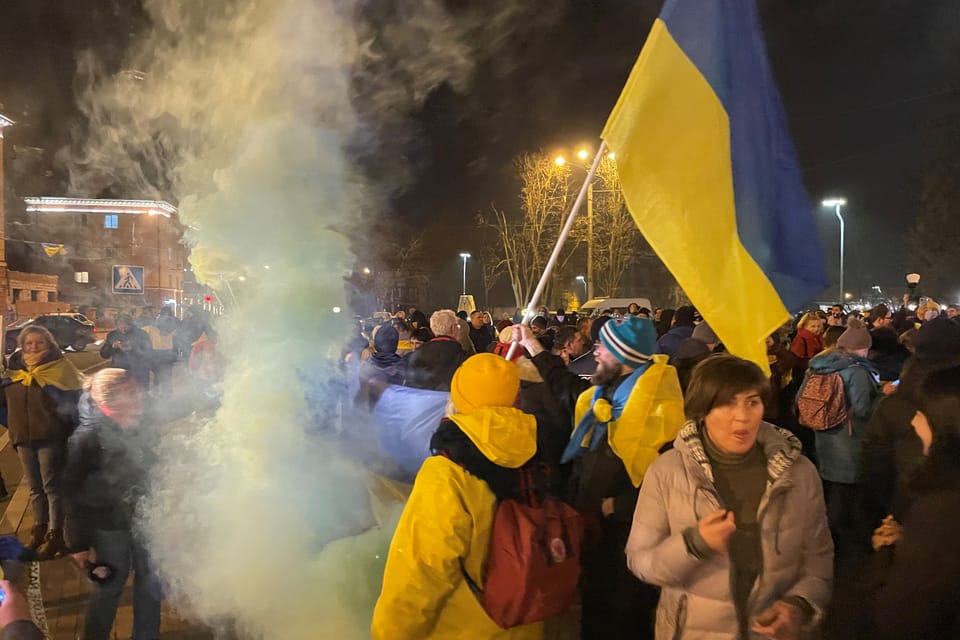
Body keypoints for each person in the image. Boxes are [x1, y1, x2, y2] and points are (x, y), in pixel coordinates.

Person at [626, 354, 833, 640]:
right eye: (727, 403)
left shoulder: (798, 473)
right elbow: (641, 560)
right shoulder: (668, 471)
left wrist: (799, 605)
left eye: (752, 402)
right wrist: (693, 544)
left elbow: (818, 559)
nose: (743, 416)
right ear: (703, 409)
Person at [514, 316, 685, 639]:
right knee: (594, 614)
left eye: (601, 348)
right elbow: (565, 386)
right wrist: (532, 345)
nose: (594, 353)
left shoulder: (661, 411)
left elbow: (672, 479)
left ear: (623, 356)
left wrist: (615, 506)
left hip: (627, 545)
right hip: (595, 537)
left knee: (621, 621)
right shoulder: (603, 395)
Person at [371, 354, 541, 639]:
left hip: (466, 628)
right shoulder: (534, 449)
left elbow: (422, 570)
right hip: (526, 621)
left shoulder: (447, 471)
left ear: (459, 399)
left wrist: (388, 633)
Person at [63, 368, 162, 640]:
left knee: (151, 581)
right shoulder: (88, 437)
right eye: (131, 392)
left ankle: (146, 635)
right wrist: (78, 544)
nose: (140, 395)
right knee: (109, 584)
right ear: (110, 400)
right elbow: (69, 491)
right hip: (108, 524)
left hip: (144, 517)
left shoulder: (141, 425)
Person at [870, 363, 960, 639]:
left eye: (921, 414)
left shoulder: (942, 506)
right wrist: (909, 538)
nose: (914, 422)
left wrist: (885, 554)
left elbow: (903, 615)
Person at [0, 326, 83, 557]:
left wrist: (64, 428)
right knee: (35, 488)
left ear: (49, 345)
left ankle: (56, 535)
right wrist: (13, 424)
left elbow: (73, 405)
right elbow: (3, 404)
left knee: (51, 487)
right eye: (29, 343)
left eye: (39, 343)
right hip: (23, 438)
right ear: (22, 345)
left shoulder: (60, 370)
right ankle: (38, 530)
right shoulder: (13, 373)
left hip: (50, 436)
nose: (33, 347)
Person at [803, 319, 879, 566]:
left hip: (824, 437)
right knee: (844, 492)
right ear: (862, 348)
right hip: (849, 440)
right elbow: (863, 409)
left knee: (837, 489)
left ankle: (848, 537)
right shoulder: (856, 371)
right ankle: (830, 543)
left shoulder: (817, 367)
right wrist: (882, 396)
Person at [404, 310, 470, 391]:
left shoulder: (417, 353)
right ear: (453, 328)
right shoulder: (462, 356)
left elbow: (410, 384)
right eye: (458, 327)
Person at [99, 314, 152, 391]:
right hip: (120, 370)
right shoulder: (112, 335)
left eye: (126, 325)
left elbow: (147, 352)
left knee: (140, 394)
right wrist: (112, 348)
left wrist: (130, 348)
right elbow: (104, 354)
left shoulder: (141, 334)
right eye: (120, 324)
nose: (123, 327)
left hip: (139, 371)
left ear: (131, 324)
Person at [142, 306, 179, 395]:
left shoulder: (172, 333)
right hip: (154, 357)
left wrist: (173, 358)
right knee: (156, 379)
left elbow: (174, 348)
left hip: (167, 357)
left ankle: (167, 395)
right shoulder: (149, 330)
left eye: (168, 331)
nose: (166, 333)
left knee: (167, 378)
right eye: (164, 330)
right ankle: (155, 395)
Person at [790, 311, 824, 376]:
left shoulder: (818, 337)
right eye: (813, 326)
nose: (816, 328)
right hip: (803, 371)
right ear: (805, 327)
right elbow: (797, 358)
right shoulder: (801, 338)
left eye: (818, 326)